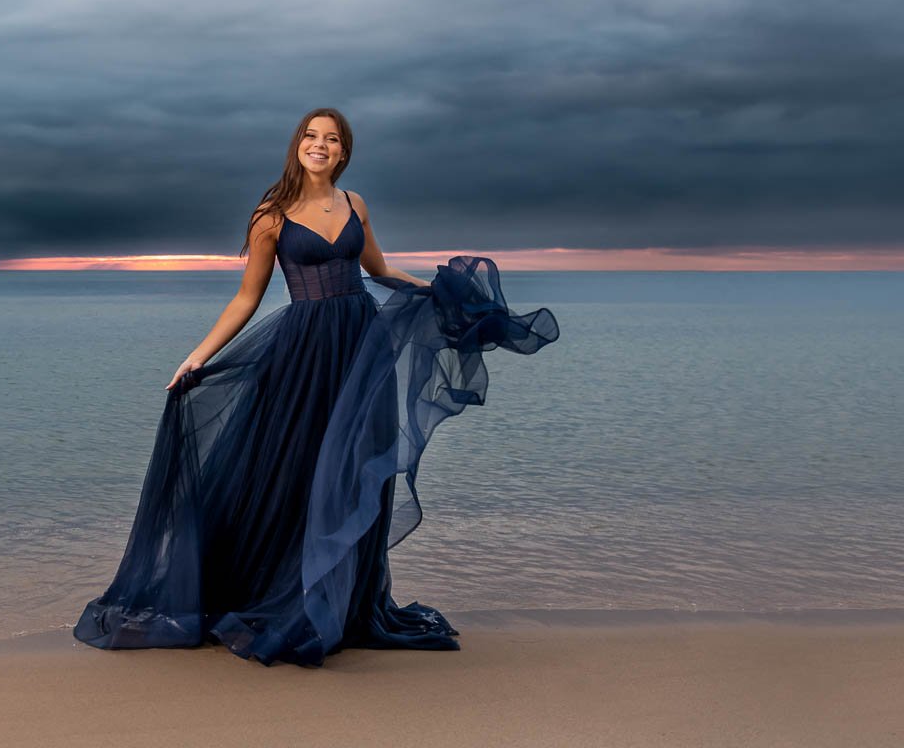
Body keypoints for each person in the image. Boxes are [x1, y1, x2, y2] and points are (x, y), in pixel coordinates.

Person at [73, 107, 560, 667]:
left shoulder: (356, 205)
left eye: (331, 139)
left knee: (356, 469)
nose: (320, 145)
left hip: (361, 347)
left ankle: (346, 604)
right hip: (303, 353)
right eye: (311, 136)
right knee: (296, 471)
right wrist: (197, 355)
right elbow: (246, 298)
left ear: (344, 151)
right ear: (297, 145)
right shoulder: (271, 215)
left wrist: (436, 292)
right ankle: (284, 595)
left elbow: (379, 271)